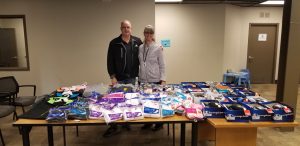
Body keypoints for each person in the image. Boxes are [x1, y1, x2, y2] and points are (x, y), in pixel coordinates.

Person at [105, 20, 142, 137]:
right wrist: (112, 76)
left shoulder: (137, 41)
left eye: (128, 27)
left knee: (129, 101)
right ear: (121, 29)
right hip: (119, 78)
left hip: (132, 78)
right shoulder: (114, 43)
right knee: (116, 102)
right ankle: (114, 125)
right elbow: (109, 61)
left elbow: (147, 49)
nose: (126, 29)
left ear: (131, 28)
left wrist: (158, 47)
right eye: (124, 27)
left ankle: (126, 122)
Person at [139, 25, 166, 131]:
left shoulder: (158, 47)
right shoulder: (141, 47)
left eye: (150, 33)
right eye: (146, 33)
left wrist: (163, 79)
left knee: (155, 102)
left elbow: (162, 65)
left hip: (155, 79)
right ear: (144, 33)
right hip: (143, 79)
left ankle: (159, 123)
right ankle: (148, 122)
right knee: (145, 101)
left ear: (153, 34)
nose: (148, 35)